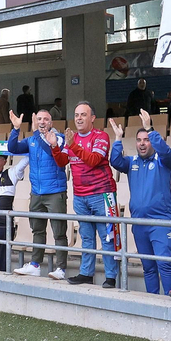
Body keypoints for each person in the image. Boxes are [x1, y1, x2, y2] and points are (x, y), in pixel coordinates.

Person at [109, 110, 171, 294]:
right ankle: (153, 301)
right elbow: (114, 161)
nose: (142, 143)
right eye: (139, 140)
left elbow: (165, 150)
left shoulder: (164, 161)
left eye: (146, 139)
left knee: (164, 265)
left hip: (161, 222)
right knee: (148, 267)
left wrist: (150, 128)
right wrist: (117, 139)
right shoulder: (132, 162)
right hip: (139, 222)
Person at [7, 109, 71, 279]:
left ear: (51, 123)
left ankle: (61, 268)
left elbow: (53, 153)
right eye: (40, 119)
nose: (42, 122)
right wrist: (15, 129)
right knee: (37, 230)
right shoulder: (31, 140)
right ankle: (35, 264)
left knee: (59, 232)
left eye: (46, 119)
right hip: (36, 193)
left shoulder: (59, 139)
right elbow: (12, 148)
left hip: (55, 192)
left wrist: (36, 131)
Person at [63, 101, 120, 288]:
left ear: (92, 118)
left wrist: (73, 145)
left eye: (83, 115)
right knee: (86, 238)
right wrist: (56, 146)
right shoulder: (71, 138)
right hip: (79, 196)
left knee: (108, 237)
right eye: (76, 115)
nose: (79, 118)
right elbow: (61, 161)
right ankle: (86, 274)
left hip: (102, 194)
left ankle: (111, 277)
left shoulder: (101, 136)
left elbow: (94, 160)